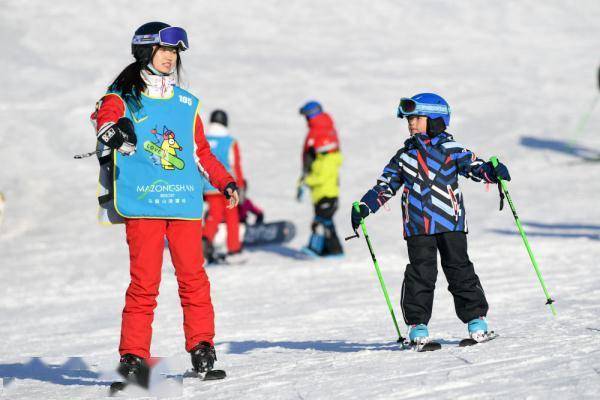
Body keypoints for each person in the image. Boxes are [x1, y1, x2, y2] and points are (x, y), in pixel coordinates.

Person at [90, 21, 239, 385]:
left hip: (184, 205)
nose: (170, 57)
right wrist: (113, 131)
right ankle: (133, 357)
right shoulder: (122, 96)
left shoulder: (188, 104)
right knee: (144, 284)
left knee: (194, 280)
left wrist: (225, 181)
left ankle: (203, 348)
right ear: (146, 51)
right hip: (142, 205)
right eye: (164, 50)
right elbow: (104, 119)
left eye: (174, 52)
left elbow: (200, 152)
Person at [351, 93, 510, 348]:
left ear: (435, 119)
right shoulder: (404, 156)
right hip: (418, 225)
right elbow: (386, 184)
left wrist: (492, 171)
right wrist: (366, 205)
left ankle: (476, 321)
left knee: (459, 270)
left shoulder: (451, 149)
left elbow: (474, 167)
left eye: (416, 117)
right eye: (409, 119)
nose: (411, 123)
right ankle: (417, 325)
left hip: (451, 221)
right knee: (421, 274)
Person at [298, 101, 343, 257]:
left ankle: (316, 248)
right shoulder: (321, 157)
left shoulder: (326, 157)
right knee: (325, 223)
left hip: (327, 193)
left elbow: (321, 175)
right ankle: (330, 249)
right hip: (321, 193)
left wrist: (306, 181)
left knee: (320, 222)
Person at [201, 109, 245, 260]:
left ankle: (205, 240)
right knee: (232, 216)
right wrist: (240, 185)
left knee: (214, 215)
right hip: (227, 185)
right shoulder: (230, 142)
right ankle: (233, 248)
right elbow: (235, 165)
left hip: (208, 184)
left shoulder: (203, 139)